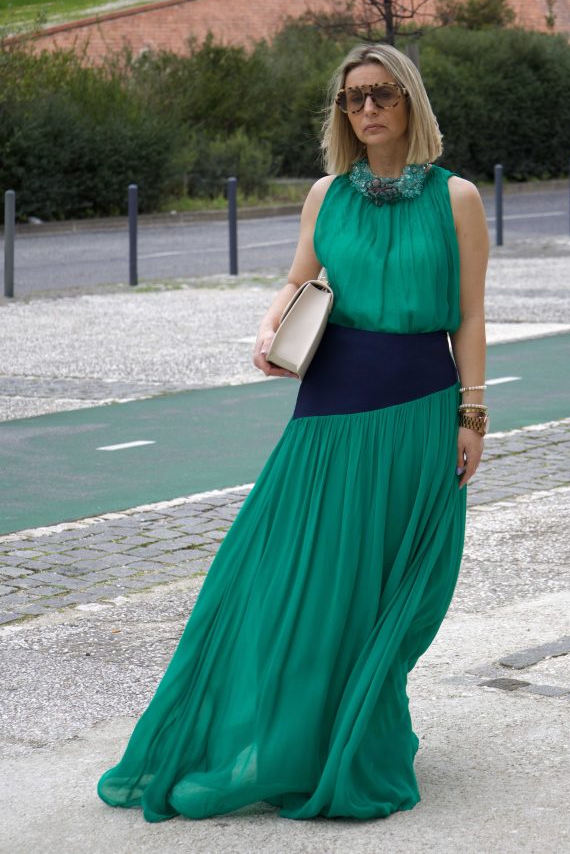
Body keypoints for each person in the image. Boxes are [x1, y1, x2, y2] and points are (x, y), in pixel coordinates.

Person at [97, 42, 489, 823]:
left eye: (383, 93)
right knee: (289, 576)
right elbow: (297, 279)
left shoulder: (458, 199)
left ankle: (354, 728)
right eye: (354, 98)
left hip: (419, 409)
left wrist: (472, 413)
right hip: (328, 406)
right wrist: (269, 323)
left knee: (391, 587)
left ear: (410, 100)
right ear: (342, 112)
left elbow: (472, 316)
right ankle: (285, 736)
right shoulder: (325, 195)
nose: (368, 108)